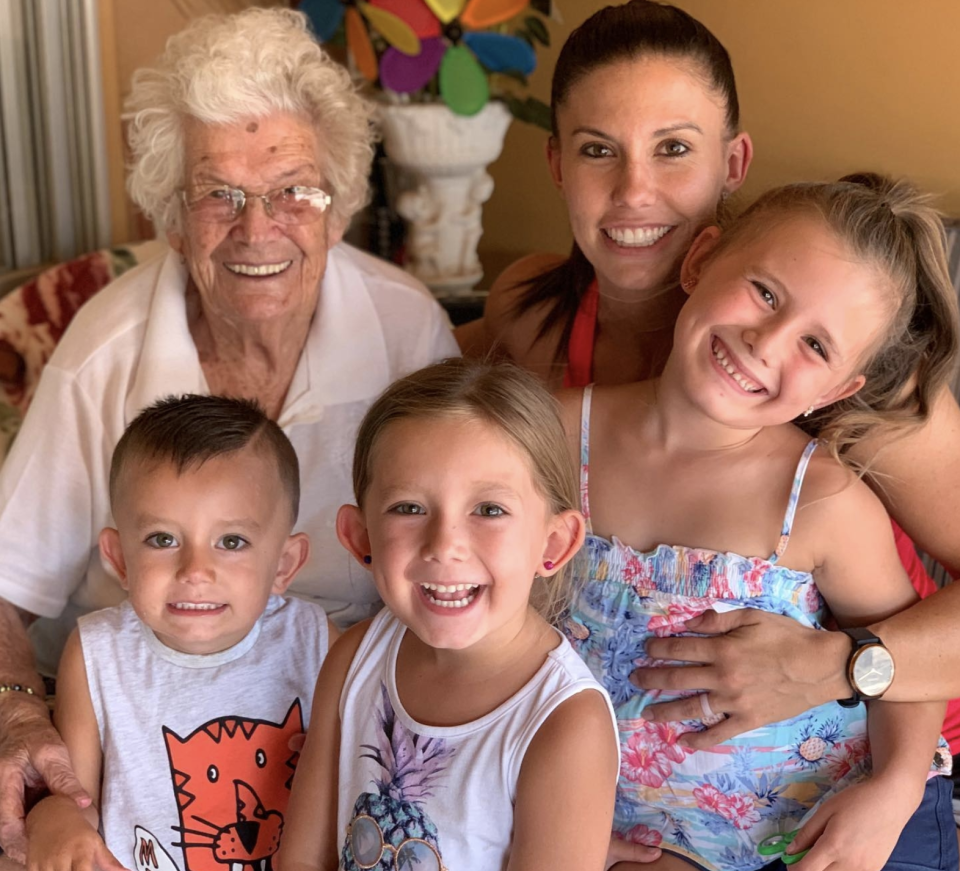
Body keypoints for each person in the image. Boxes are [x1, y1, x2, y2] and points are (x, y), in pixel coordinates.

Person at [457, 0, 960, 813]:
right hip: (622, 794)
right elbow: (413, 383)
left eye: (674, 150)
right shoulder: (534, 314)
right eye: (598, 151)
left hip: (857, 762)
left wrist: (838, 665)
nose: (634, 192)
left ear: (734, 161)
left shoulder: (859, 392)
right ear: (556, 163)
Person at [0, 8, 458, 861]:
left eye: (295, 190)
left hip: (326, 733)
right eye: (218, 194)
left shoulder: (404, 329)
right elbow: (4, 582)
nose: (257, 228)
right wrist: (20, 715)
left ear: (341, 206)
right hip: (127, 745)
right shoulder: (105, 350)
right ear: (172, 216)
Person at [560, 175, 958, 871]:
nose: (766, 340)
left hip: (810, 830)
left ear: (838, 391)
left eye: (817, 345)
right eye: (766, 293)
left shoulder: (825, 499)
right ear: (699, 260)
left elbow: (907, 668)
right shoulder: (555, 434)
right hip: (611, 828)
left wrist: (893, 790)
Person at [279, 359, 620, 871]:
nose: (445, 546)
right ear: (360, 537)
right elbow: (301, 861)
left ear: (554, 542)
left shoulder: (565, 725)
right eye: (409, 508)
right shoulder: (354, 660)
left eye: (489, 510)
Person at [24, 394, 336, 871]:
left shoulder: (318, 644)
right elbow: (76, 799)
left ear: (285, 564)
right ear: (120, 559)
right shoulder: (96, 653)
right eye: (162, 539)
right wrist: (56, 818)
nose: (195, 570)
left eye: (231, 542)